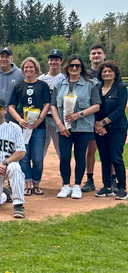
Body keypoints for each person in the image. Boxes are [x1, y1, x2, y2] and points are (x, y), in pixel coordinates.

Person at [50, 55, 101, 199]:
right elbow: (53, 106)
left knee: (80, 156)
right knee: (64, 157)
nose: (74, 68)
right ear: (67, 67)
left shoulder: (90, 84)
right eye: (71, 65)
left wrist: (79, 114)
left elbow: (96, 106)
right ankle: (65, 185)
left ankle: (77, 185)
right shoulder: (59, 84)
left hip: (82, 127)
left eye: (77, 66)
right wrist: (60, 124)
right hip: (64, 128)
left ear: (81, 68)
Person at [8, 57, 51, 196]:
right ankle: (27, 183)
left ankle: (37, 183)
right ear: (23, 69)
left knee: (38, 158)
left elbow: (47, 104)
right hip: (23, 127)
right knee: (24, 157)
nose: (28, 70)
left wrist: (40, 118)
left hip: (39, 127)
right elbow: (11, 107)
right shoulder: (19, 86)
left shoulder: (43, 85)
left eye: (31, 67)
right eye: (26, 67)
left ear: (36, 68)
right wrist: (20, 120)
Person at [93, 61, 126, 199]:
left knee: (116, 157)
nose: (106, 73)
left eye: (109, 71)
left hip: (117, 128)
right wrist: (97, 124)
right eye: (104, 71)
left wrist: (103, 123)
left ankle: (122, 187)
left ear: (114, 73)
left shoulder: (120, 87)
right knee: (104, 157)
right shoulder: (97, 87)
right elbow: (94, 107)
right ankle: (107, 187)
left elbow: (120, 110)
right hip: (100, 129)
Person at [83, 43, 107, 193]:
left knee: (109, 150)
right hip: (91, 117)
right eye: (93, 53)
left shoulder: (109, 71)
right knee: (91, 148)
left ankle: (111, 180)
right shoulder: (86, 74)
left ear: (104, 55)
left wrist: (104, 122)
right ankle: (90, 179)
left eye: (99, 53)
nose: (96, 56)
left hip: (107, 117)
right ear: (89, 56)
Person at [38, 49, 65, 159]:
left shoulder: (65, 78)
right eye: (51, 59)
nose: (54, 62)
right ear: (48, 61)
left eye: (56, 59)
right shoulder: (41, 79)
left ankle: (64, 176)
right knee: (40, 151)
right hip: (44, 119)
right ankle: (36, 176)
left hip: (59, 118)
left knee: (62, 151)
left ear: (61, 61)